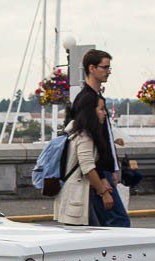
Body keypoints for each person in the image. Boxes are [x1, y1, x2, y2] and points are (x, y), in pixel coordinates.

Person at [73, 49, 129, 226]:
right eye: (105, 68)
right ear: (92, 68)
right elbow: (88, 141)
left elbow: (102, 137)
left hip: (104, 172)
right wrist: (101, 182)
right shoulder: (87, 99)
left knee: (106, 226)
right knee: (118, 223)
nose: (108, 72)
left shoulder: (96, 97)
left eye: (109, 68)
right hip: (98, 174)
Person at [54, 93, 114, 226]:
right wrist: (104, 193)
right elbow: (87, 168)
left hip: (79, 196)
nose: (105, 113)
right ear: (90, 112)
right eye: (101, 109)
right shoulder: (84, 136)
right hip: (76, 197)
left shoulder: (78, 133)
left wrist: (102, 181)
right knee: (90, 238)